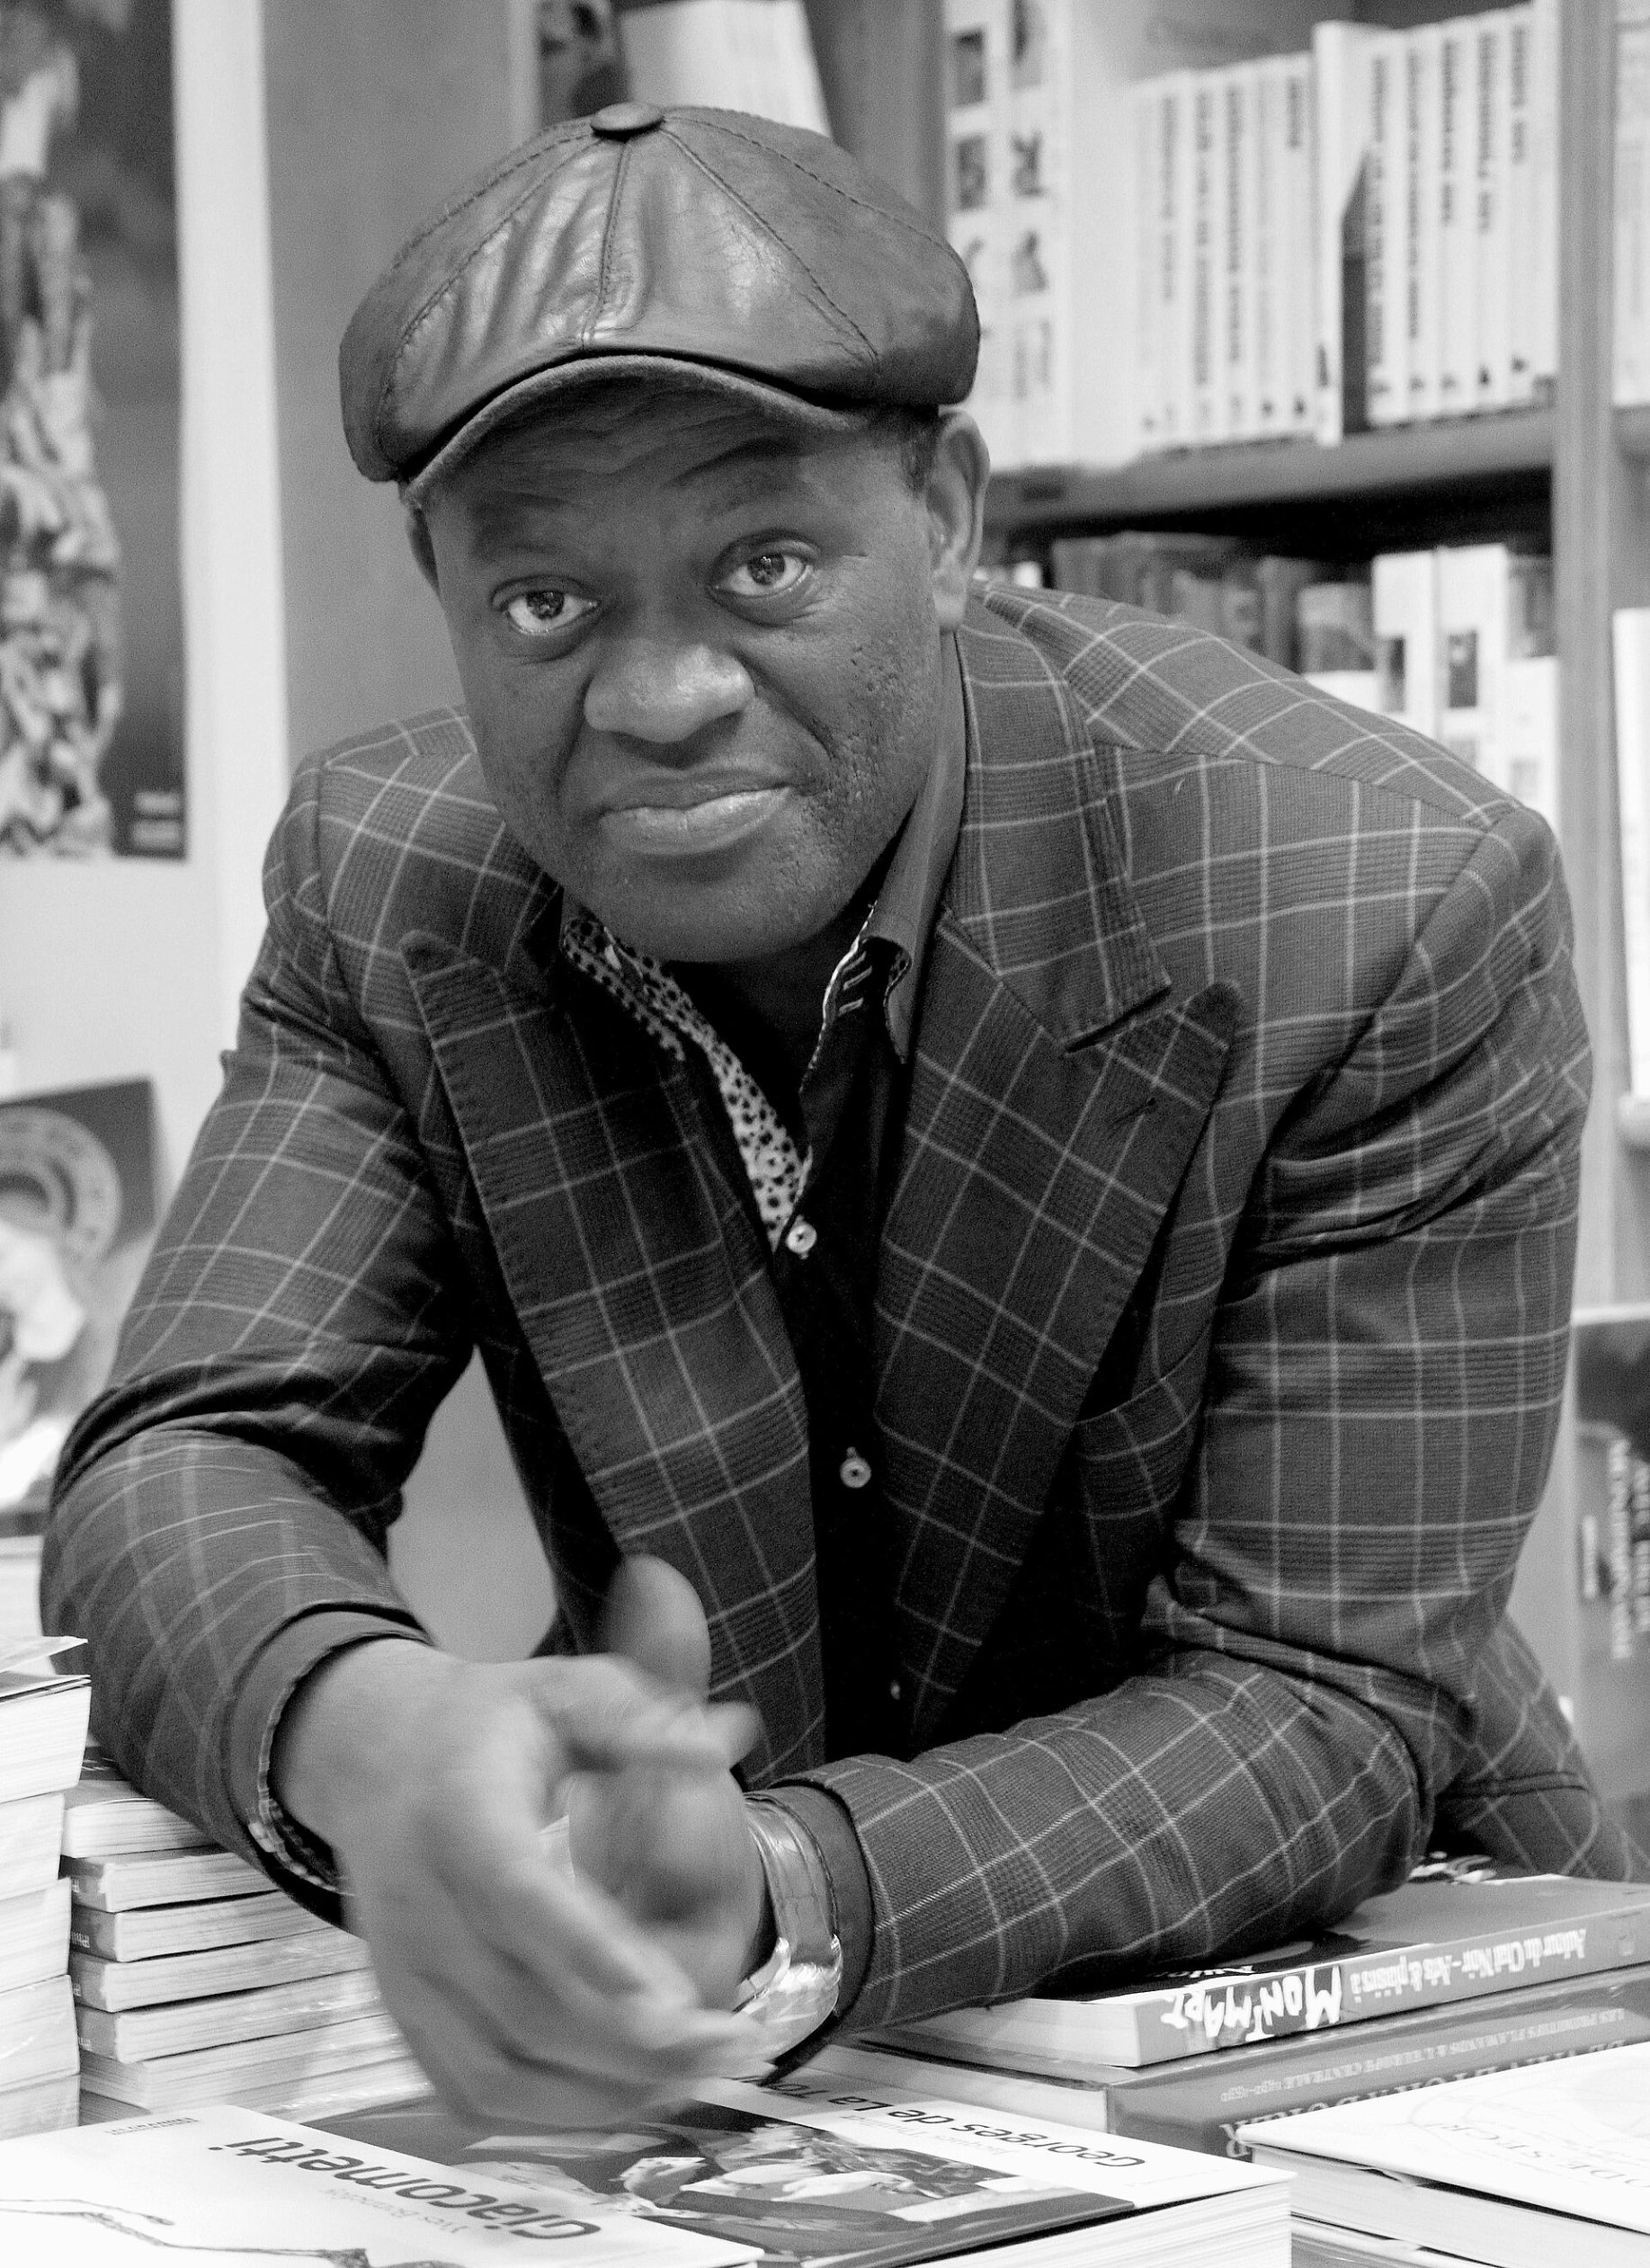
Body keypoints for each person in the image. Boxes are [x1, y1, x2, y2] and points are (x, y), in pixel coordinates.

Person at [44, 103, 1641, 2130]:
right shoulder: (391, 885)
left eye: (765, 564)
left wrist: (788, 1879)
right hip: (739, 2063)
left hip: (1355, 2011)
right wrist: (375, 1727)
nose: (659, 692)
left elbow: (1324, 1695)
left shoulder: (1374, 899)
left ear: (950, 524)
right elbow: (186, 1456)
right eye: (543, 605)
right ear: (440, 586)